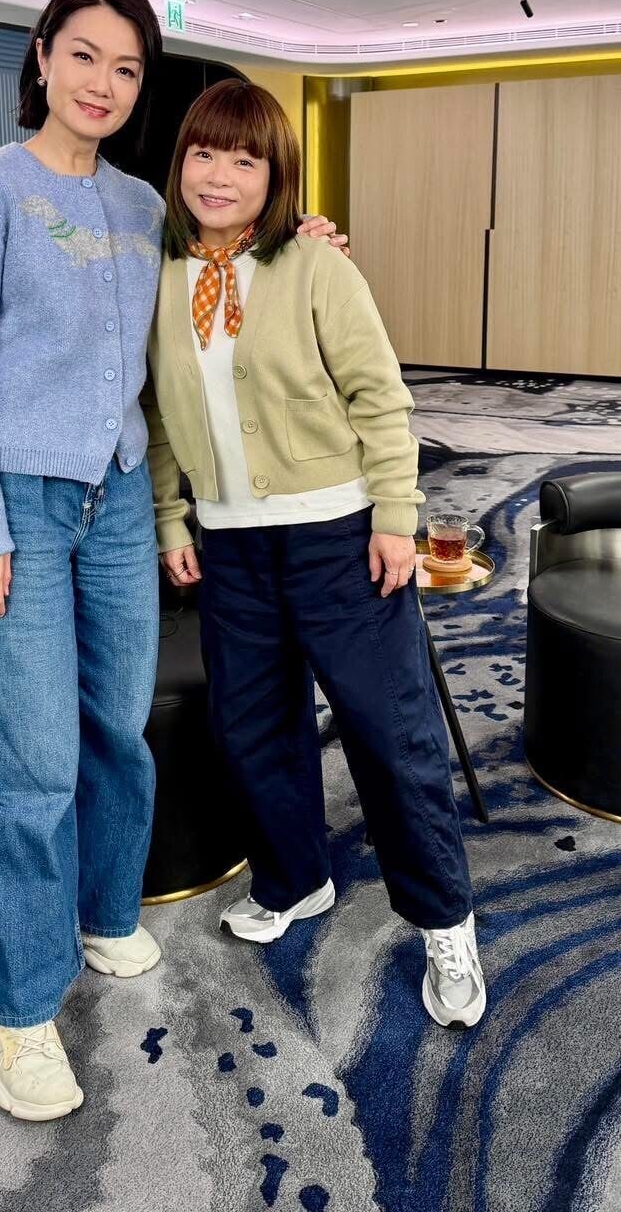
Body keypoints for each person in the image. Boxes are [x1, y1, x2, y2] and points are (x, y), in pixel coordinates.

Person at [0, 0, 348, 1123]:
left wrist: (302, 242)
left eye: (125, 67)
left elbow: (223, 268)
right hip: (17, 502)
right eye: (84, 56)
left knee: (115, 728)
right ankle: (16, 1010)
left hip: (114, 497)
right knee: (25, 765)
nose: (103, 83)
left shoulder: (137, 205)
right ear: (42, 57)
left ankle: (103, 911)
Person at [144, 79, 486, 1029]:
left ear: (276, 175)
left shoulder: (313, 265)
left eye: (244, 159)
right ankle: (295, 880)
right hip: (230, 546)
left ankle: (445, 920)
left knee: (389, 732)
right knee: (253, 727)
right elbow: (158, 414)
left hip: (340, 537)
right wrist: (172, 519)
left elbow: (380, 394)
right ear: (180, 164)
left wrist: (396, 516)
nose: (219, 175)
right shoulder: (160, 275)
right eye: (203, 153)